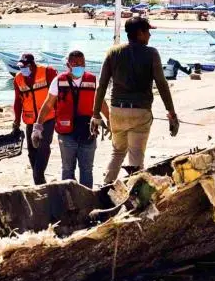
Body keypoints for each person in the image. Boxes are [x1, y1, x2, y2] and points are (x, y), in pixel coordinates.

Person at [92, 17, 179, 184]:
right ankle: (136, 195)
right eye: (147, 31)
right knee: (136, 156)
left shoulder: (112, 52)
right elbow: (161, 83)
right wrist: (171, 112)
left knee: (117, 152)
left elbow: (101, 85)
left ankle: (106, 186)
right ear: (140, 33)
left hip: (116, 111)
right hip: (140, 112)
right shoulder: (151, 53)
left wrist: (96, 115)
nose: (150, 35)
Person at [34, 51, 109, 188]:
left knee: (87, 170)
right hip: (66, 134)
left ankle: (86, 200)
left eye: (82, 64)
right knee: (67, 169)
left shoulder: (92, 80)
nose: (79, 66)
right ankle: (68, 200)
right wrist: (37, 127)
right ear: (68, 64)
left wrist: (110, 120)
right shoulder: (58, 81)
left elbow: (101, 102)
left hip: (88, 131)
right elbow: (48, 104)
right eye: (75, 64)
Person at [13, 53, 58, 185]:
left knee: (44, 146)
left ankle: (38, 178)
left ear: (32, 65)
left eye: (25, 66)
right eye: (21, 66)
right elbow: (17, 101)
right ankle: (39, 179)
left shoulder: (47, 72)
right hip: (30, 119)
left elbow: (56, 95)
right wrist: (16, 120)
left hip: (48, 117)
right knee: (32, 151)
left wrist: (60, 114)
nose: (23, 69)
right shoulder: (18, 78)